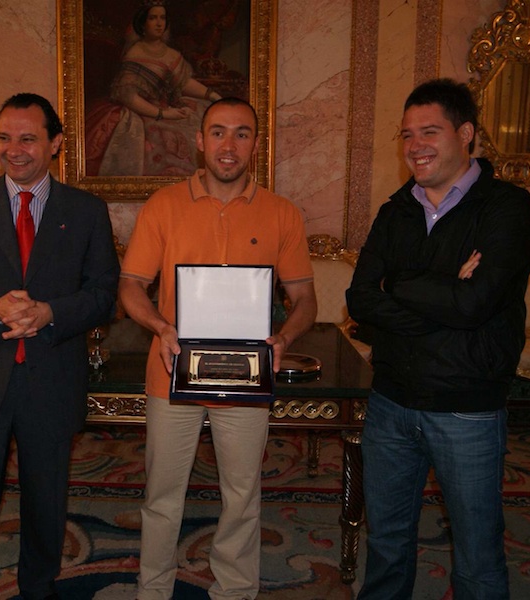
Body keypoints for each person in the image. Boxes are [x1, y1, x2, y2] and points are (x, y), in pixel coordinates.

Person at [346, 78, 530, 600]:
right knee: (386, 545)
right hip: (390, 402)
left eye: (429, 131)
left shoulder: (507, 208)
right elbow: (360, 299)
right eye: (407, 134)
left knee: (477, 557)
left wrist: (398, 284)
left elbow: (476, 304)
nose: (415, 146)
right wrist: (446, 292)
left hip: (466, 409)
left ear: (466, 133)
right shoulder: (396, 210)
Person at [0, 93, 120, 600]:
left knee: (45, 501)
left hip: (51, 377)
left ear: (55, 144)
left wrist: (51, 312)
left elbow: (103, 295)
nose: (14, 150)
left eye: (28, 139)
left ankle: (38, 587)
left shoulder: (86, 211)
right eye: (5, 138)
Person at [119, 97, 317, 600]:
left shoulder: (282, 213)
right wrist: (160, 326)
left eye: (242, 133)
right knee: (162, 495)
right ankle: (153, 590)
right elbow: (130, 285)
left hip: (247, 378)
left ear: (256, 143)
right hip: (172, 374)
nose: (229, 145)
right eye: (218, 132)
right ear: (200, 140)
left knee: (242, 496)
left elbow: (305, 299)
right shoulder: (163, 205)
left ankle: (234, 590)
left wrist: (284, 338)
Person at [85, 0, 223, 177]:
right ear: (143, 24)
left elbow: (182, 83)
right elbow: (129, 97)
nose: (159, 23)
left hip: (169, 107)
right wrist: (164, 114)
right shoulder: (135, 53)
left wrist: (212, 95)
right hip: (143, 112)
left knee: (203, 125)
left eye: (162, 18)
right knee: (170, 138)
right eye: (153, 18)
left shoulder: (171, 54)